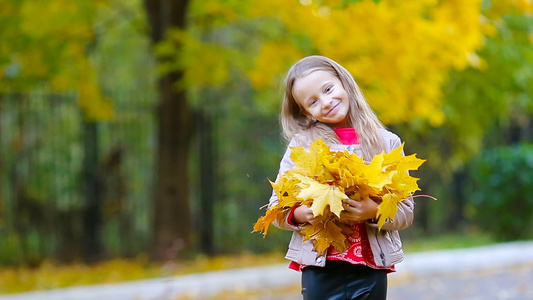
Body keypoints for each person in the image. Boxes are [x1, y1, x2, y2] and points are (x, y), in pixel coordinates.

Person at [268, 55, 415, 300]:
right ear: (306, 113)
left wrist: (373, 211)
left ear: (344, 82)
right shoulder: (303, 147)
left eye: (328, 89)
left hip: (369, 268)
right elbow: (277, 208)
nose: (326, 102)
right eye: (313, 102)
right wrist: (300, 214)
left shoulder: (386, 143)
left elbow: (406, 212)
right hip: (320, 266)